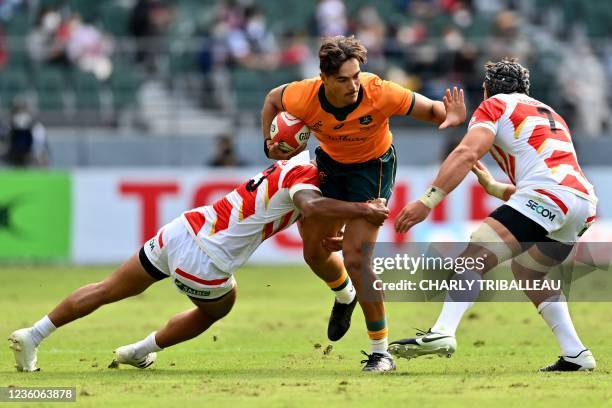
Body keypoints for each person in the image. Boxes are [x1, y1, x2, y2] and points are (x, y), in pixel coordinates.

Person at [9, 152, 389, 372]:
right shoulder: (308, 177)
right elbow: (309, 204)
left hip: (181, 229)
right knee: (218, 309)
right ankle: (139, 351)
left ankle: (34, 334)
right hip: (207, 260)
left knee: (107, 288)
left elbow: (306, 220)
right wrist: (362, 208)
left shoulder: (291, 163)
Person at [260, 35, 467, 371]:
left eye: (356, 76)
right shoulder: (302, 95)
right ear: (323, 78)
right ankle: (345, 296)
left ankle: (380, 352)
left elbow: (430, 109)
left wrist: (452, 114)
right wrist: (268, 143)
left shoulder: (379, 91)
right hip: (329, 165)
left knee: (357, 259)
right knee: (315, 252)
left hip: (373, 169)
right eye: (343, 79)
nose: (353, 85)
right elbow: (272, 100)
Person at [389, 58, 597, 372]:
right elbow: (547, 183)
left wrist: (427, 201)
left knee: (472, 257)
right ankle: (576, 354)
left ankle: (443, 332)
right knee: (529, 272)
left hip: (549, 195)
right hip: (582, 203)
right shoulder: (551, 114)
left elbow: (466, 152)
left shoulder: (494, 105)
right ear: (526, 89)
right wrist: (493, 186)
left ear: (487, 90)